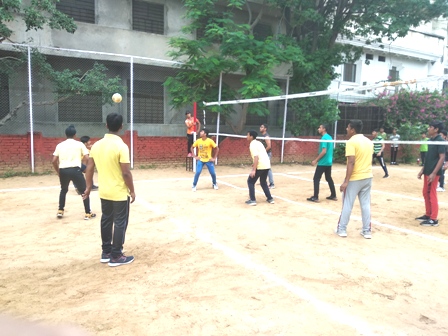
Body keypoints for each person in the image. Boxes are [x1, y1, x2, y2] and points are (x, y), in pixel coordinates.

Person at [83, 113, 135, 267]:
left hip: (104, 191)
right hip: (119, 191)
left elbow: (89, 168)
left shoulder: (97, 145)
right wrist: (132, 190)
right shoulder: (121, 146)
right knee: (120, 222)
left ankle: (106, 252)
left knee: (106, 219)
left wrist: (87, 187)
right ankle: (116, 255)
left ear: (106, 125)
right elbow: (126, 172)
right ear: (121, 127)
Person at [336, 120, 373, 239]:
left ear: (353, 130)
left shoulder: (351, 142)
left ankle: (342, 229)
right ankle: (367, 231)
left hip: (355, 178)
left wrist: (346, 181)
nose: (346, 129)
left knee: (347, 204)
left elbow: (351, 161)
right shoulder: (368, 141)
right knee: (365, 205)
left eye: (348, 127)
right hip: (367, 177)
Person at [52, 125, 96, 220]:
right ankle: (87, 212)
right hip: (75, 170)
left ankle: (60, 210)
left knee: (63, 190)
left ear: (66, 134)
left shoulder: (60, 145)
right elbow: (87, 157)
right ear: (75, 134)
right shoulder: (79, 144)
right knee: (84, 191)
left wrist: (58, 171)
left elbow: (54, 160)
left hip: (63, 170)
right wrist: (88, 168)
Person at [415, 120, 445, 227]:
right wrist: (423, 170)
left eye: (430, 127)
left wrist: (434, 173)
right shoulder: (431, 140)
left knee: (431, 194)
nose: (428, 129)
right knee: (425, 192)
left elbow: (442, 158)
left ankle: (433, 219)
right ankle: (428, 214)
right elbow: (428, 157)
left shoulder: (440, 140)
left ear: (436, 129)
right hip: (427, 171)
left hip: (433, 173)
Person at [307, 124, 337, 202]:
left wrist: (315, 160)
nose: (318, 129)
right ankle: (333, 195)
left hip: (323, 162)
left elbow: (324, 151)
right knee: (328, 178)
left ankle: (315, 197)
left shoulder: (324, 138)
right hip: (329, 162)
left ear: (324, 129)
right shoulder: (330, 137)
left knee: (316, 178)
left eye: (320, 128)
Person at [246, 130, 274, 206]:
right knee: (263, 182)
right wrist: (254, 164)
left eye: (248, 135)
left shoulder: (252, 144)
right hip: (267, 164)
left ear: (251, 137)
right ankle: (270, 198)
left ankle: (252, 200)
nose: (246, 136)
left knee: (250, 181)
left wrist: (254, 170)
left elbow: (256, 157)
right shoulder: (259, 143)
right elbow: (261, 154)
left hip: (261, 165)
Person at [259, 124, 275, 189]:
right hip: (264, 154)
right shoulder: (263, 136)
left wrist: (263, 152)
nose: (260, 128)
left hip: (267, 154)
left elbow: (269, 146)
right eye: (260, 127)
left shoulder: (266, 136)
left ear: (265, 129)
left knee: (268, 168)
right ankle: (263, 181)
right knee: (262, 167)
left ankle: (272, 184)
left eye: (262, 127)